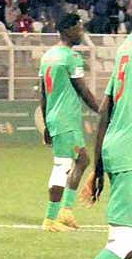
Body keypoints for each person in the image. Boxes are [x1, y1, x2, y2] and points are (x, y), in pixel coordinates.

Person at [39, 28, 132, 259]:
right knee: (124, 242)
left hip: (118, 149)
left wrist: (101, 164)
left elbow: (107, 108)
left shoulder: (125, 47)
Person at [38, 14, 102, 232]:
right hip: (65, 119)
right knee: (62, 166)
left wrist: (47, 123)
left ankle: (65, 211)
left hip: (58, 118)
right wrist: (103, 112)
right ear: (67, 30)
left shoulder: (48, 56)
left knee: (82, 160)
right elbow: (83, 91)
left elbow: (44, 95)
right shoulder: (70, 57)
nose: (82, 32)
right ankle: (50, 219)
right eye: (78, 28)